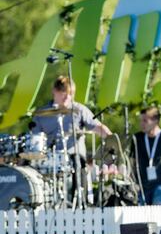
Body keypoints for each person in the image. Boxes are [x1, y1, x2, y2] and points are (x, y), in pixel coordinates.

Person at [33, 76, 112, 205]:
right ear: (54, 91)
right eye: (64, 93)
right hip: (49, 161)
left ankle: (80, 203)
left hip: (75, 161)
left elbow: (98, 127)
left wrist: (111, 140)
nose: (67, 97)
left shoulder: (79, 110)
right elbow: (34, 139)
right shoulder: (42, 113)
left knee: (78, 161)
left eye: (70, 94)